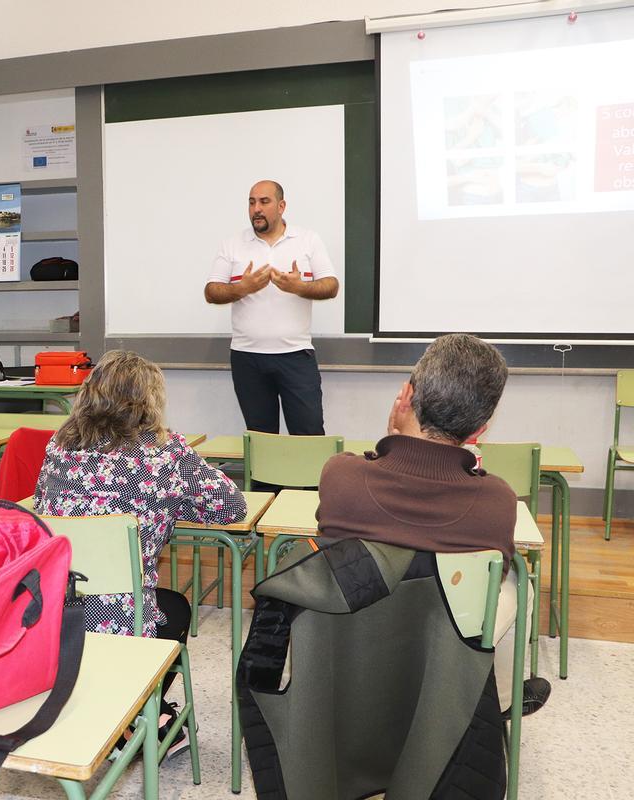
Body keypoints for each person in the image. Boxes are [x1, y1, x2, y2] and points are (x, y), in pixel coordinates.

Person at [316, 333, 550, 715]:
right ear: (480, 430)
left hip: (351, 637)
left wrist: (393, 437)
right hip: (442, 643)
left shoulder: (340, 476)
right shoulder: (497, 501)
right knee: (515, 584)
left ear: (406, 398)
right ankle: (500, 704)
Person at [33, 349, 247, 754]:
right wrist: (170, 502)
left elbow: (45, 506)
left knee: (155, 604)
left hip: (57, 612)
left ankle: (125, 714)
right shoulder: (166, 454)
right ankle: (138, 715)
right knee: (176, 609)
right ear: (150, 401)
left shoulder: (58, 447)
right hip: (124, 621)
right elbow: (232, 507)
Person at [204, 180, 338, 435]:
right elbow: (211, 291)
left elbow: (331, 286)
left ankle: (310, 478)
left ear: (281, 206)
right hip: (247, 358)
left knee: (308, 434)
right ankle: (263, 479)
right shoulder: (232, 243)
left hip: (296, 356)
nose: (256, 209)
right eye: (252, 202)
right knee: (261, 441)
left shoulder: (307, 240)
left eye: (264, 202)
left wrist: (299, 287)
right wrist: (242, 288)